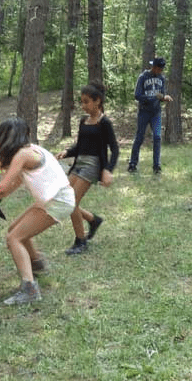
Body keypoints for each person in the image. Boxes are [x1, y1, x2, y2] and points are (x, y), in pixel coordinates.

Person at [0, 117, 75, 305]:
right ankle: (37, 264)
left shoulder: (23, 154)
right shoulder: (29, 151)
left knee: (13, 238)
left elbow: (2, 186)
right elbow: (14, 183)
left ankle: (30, 289)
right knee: (15, 231)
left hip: (57, 201)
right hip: (55, 199)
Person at [56, 81, 119, 255]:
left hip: (92, 165)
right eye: (81, 102)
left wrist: (108, 170)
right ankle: (93, 220)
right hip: (79, 163)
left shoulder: (104, 123)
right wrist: (67, 152)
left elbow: (115, 149)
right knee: (65, 199)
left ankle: (81, 241)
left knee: (71, 202)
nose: (83, 106)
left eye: (86, 101)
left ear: (97, 101)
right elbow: (80, 146)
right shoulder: (84, 121)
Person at [127, 56, 172, 174]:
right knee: (140, 137)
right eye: (160, 69)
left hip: (156, 113)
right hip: (144, 112)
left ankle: (156, 166)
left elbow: (162, 94)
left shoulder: (161, 78)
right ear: (154, 67)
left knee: (157, 137)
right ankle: (132, 164)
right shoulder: (143, 77)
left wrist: (164, 98)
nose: (161, 71)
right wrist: (151, 98)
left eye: (162, 69)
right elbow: (137, 95)